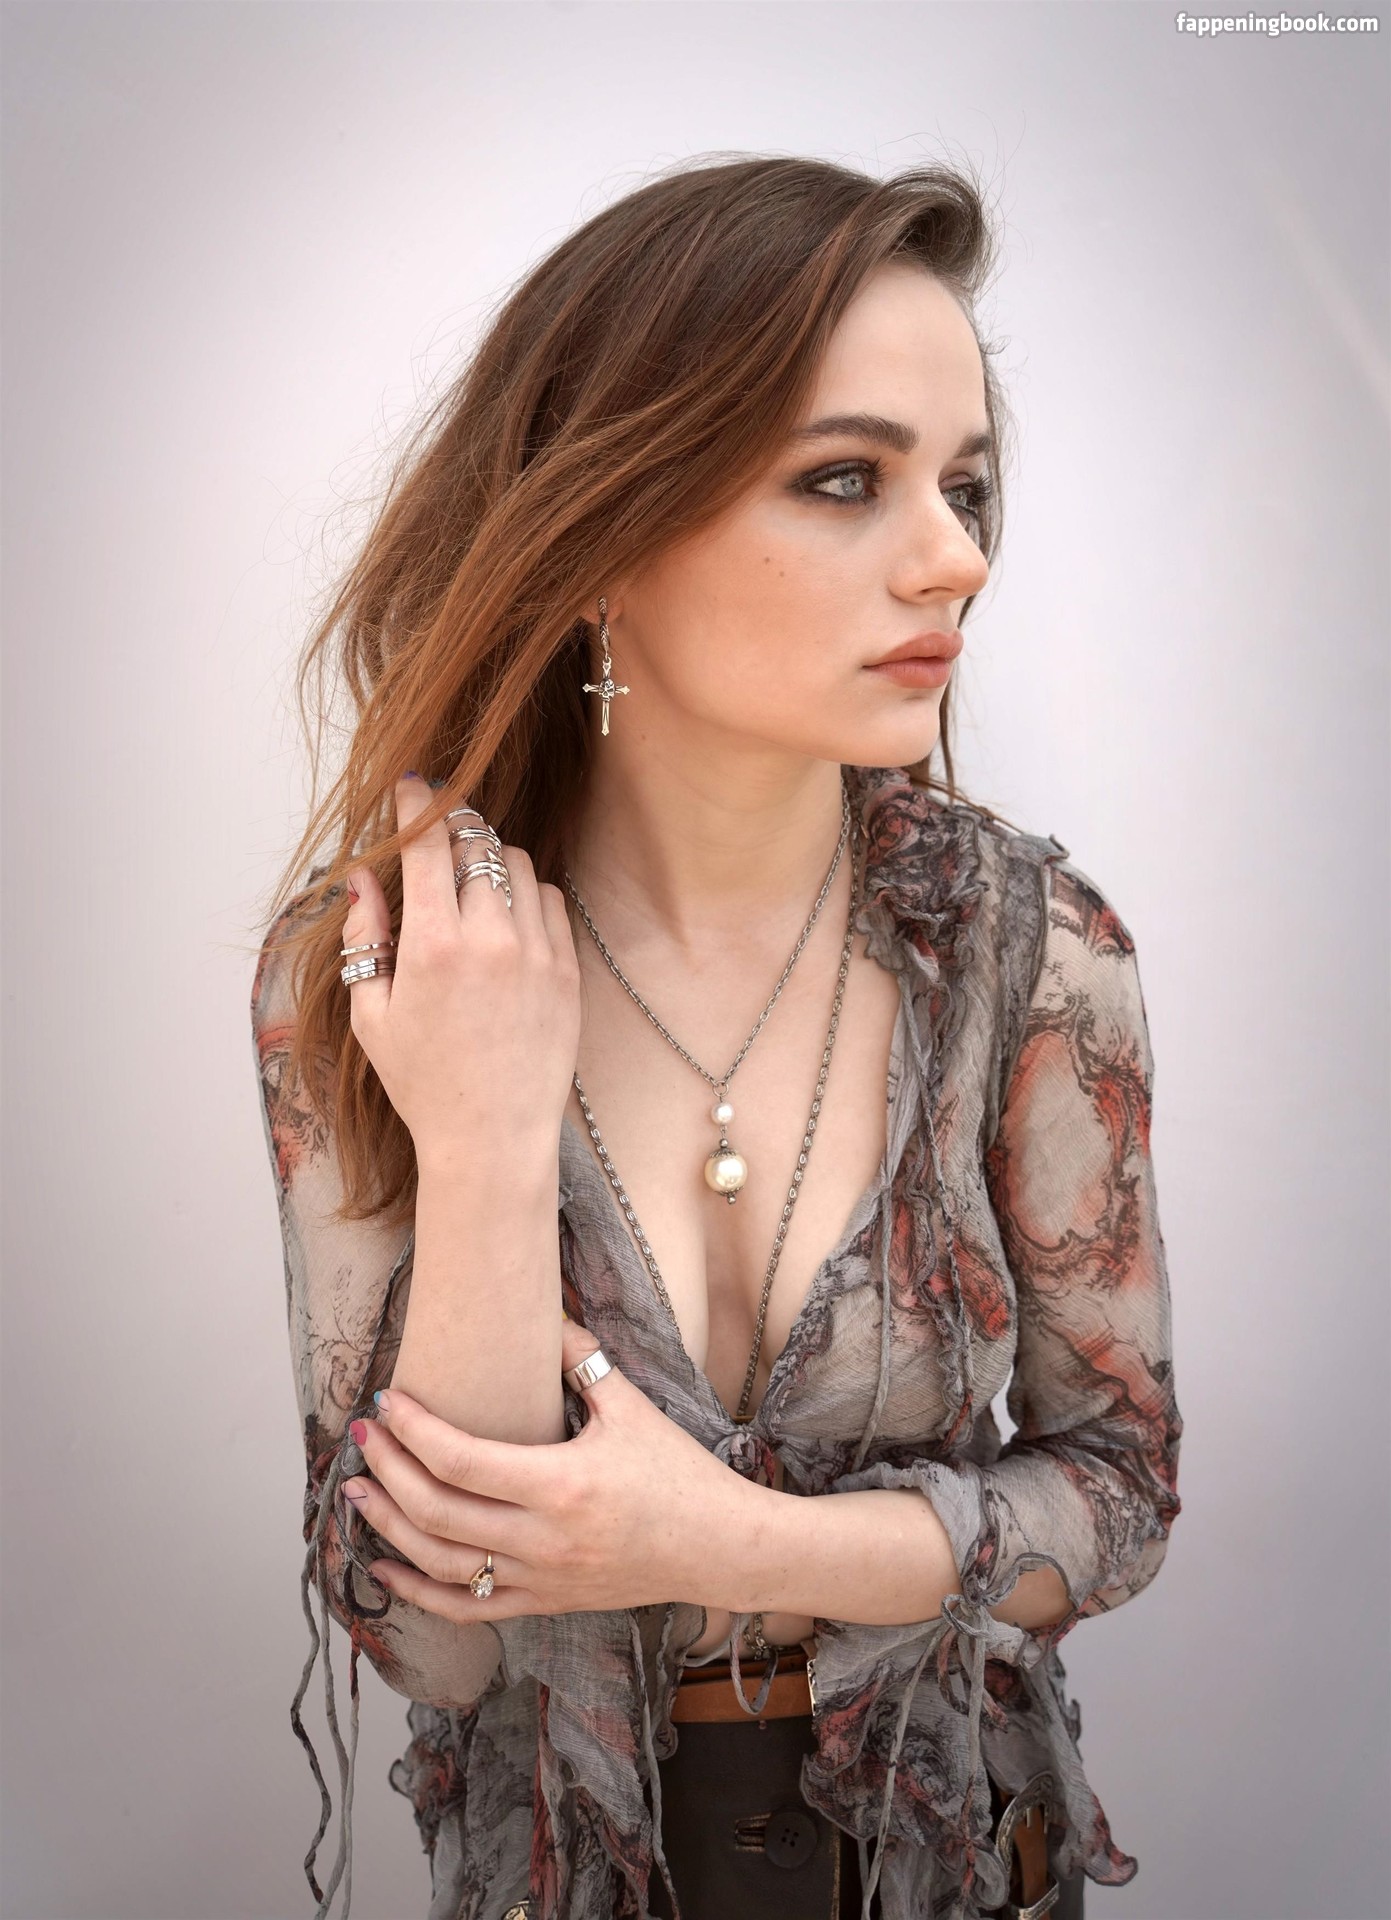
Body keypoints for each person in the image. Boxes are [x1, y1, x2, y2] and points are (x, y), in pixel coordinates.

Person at [250, 154, 1182, 1920]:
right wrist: (487, 1139)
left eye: (966, 485)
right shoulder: (381, 975)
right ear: (607, 533)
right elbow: (434, 1646)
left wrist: (729, 1543)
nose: (957, 558)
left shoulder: (1025, 954)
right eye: (847, 480)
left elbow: (1120, 1492)